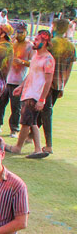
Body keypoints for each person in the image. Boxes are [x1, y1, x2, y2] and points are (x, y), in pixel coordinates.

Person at [5, 30, 54, 159]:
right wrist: (21, 87)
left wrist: (42, 99)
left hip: (36, 95)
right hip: (28, 92)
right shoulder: (36, 56)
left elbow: (48, 81)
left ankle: (17, 148)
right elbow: (31, 74)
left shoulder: (48, 59)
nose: (34, 41)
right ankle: (38, 149)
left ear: (45, 42)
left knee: (26, 122)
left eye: (37, 40)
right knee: (31, 122)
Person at [40, 18, 75, 155]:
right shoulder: (71, 47)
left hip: (45, 82)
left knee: (45, 111)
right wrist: (62, 86)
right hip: (59, 83)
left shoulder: (50, 44)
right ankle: (31, 135)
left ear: (54, 26)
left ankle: (48, 145)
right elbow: (69, 69)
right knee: (44, 109)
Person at [0, 22, 32, 139]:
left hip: (19, 81)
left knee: (16, 107)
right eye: (18, 32)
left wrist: (23, 62)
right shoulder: (12, 44)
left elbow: (33, 63)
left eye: (21, 32)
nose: (19, 34)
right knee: (0, 104)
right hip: (6, 79)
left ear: (26, 32)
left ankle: (14, 129)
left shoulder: (29, 46)